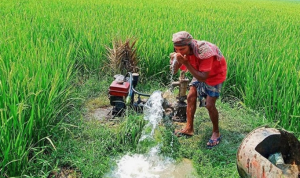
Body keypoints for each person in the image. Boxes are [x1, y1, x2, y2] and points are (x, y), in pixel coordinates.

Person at [169, 31, 227, 148]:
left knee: (209, 105)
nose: (180, 52)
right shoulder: (180, 52)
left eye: (183, 49)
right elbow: (173, 71)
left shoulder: (205, 52)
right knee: (191, 96)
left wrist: (185, 62)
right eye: (177, 49)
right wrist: (175, 61)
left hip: (215, 74)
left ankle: (216, 132)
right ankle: (189, 128)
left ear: (190, 45)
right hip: (199, 70)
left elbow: (203, 77)